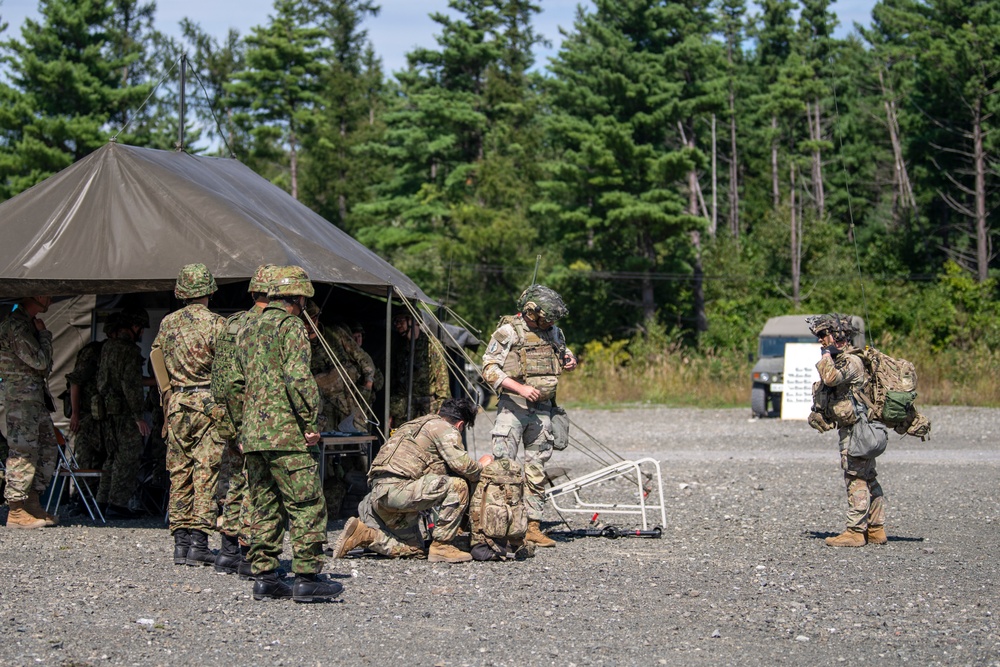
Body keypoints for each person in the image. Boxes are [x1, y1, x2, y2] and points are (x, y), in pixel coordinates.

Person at [236, 265, 342, 602]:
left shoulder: (247, 328)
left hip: (254, 434)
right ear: (298, 297)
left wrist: (242, 426)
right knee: (306, 503)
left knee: (264, 504)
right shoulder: (290, 326)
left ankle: (265, 576)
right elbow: (298, 379)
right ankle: (308, 577)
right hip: (287, 434)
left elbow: (234, 385)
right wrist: (311, 423)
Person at [331, 397, 490, 563]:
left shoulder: (412, 425)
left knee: (414, 549)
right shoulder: (444, 428)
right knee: (458, 486)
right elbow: (462, 466)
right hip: (399, 492)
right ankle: (442, 546)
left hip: (378, 495)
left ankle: (366, 535)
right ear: (460, 425)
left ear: (439, 412)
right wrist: (482, 466)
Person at [480, 284, 578, 548]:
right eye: (546, 318)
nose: (549, 323)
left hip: (543, 411)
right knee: (505, 468)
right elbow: (488, 368)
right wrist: (520, 387)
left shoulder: (553, 331)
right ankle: (502, 527)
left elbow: (561, 351)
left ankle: (533, 526)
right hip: (513, 409)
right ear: (531, 311)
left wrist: (569, 359)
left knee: (536, 470)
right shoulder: (508, 332)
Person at [152, 264, 226, 566]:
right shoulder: (218, 324)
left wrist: (168, 393)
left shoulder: (168, 323)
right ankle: (199, 543)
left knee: (179, 472)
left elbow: (156, 359)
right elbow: (227, 367)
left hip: (177, 402)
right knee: (206, 472)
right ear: (209, 290)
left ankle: (180, 544)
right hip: (208, 402)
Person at [210, 264, 274, 576]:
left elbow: (221, 375)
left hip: (228, 414)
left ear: (251, 292)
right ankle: (250, 554)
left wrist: (228, 417)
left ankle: (227, 550)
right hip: (257, 417)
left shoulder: (232, 323)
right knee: (256, 484)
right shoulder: (272, 325)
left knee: (234, 481)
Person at [807, 313, 886, 548]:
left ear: (838, 335)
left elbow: (830, 378)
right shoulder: (848, 359)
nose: (821, 340)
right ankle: (876, 528)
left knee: (855, 477)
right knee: (869, 477)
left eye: (824, 335)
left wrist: (825, 355)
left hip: (857, 430)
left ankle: (855, 531)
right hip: (862, 428)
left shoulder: (851, 362)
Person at [0, 296, 59, 528]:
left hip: (33, 399)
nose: (50, 298)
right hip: (21, 399)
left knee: (46, 447)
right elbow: (40, 361)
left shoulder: (27, 324)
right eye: (47, 294)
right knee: (23, 450)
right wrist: (44, 336)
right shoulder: (16, 325)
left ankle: (32, 503)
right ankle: (16, 511)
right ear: (36, 296)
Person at [95, 307, 152, 519]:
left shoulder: (108, 347)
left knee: (111, 457)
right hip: (126, 413)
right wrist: (139, 417)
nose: (142, 333)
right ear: (134, 327)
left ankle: (102, 500)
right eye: (141, 329)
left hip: (108, 411)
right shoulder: (129, 351)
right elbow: (131, 384)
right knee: (127, 457)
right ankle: (117, 504)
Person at [303, 300, 375, 433]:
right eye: (305, 322)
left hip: (350, 396)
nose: (309, 325)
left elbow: (362, 357)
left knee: (359, 438)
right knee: (330, 442)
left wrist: (368, 384)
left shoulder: (335, 334)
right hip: (324, 403)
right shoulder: (299, 344)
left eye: (312, 319)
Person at [389, 308, 450, 428]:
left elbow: (442, 381)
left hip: (427, 407)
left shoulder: (431, 344)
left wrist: (442, 410)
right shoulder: (401, 347)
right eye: (396, 322)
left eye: (401, 321)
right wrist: (392, 413)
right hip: (405, 408)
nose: (398, 325)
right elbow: (395, 381)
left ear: (414, 321)